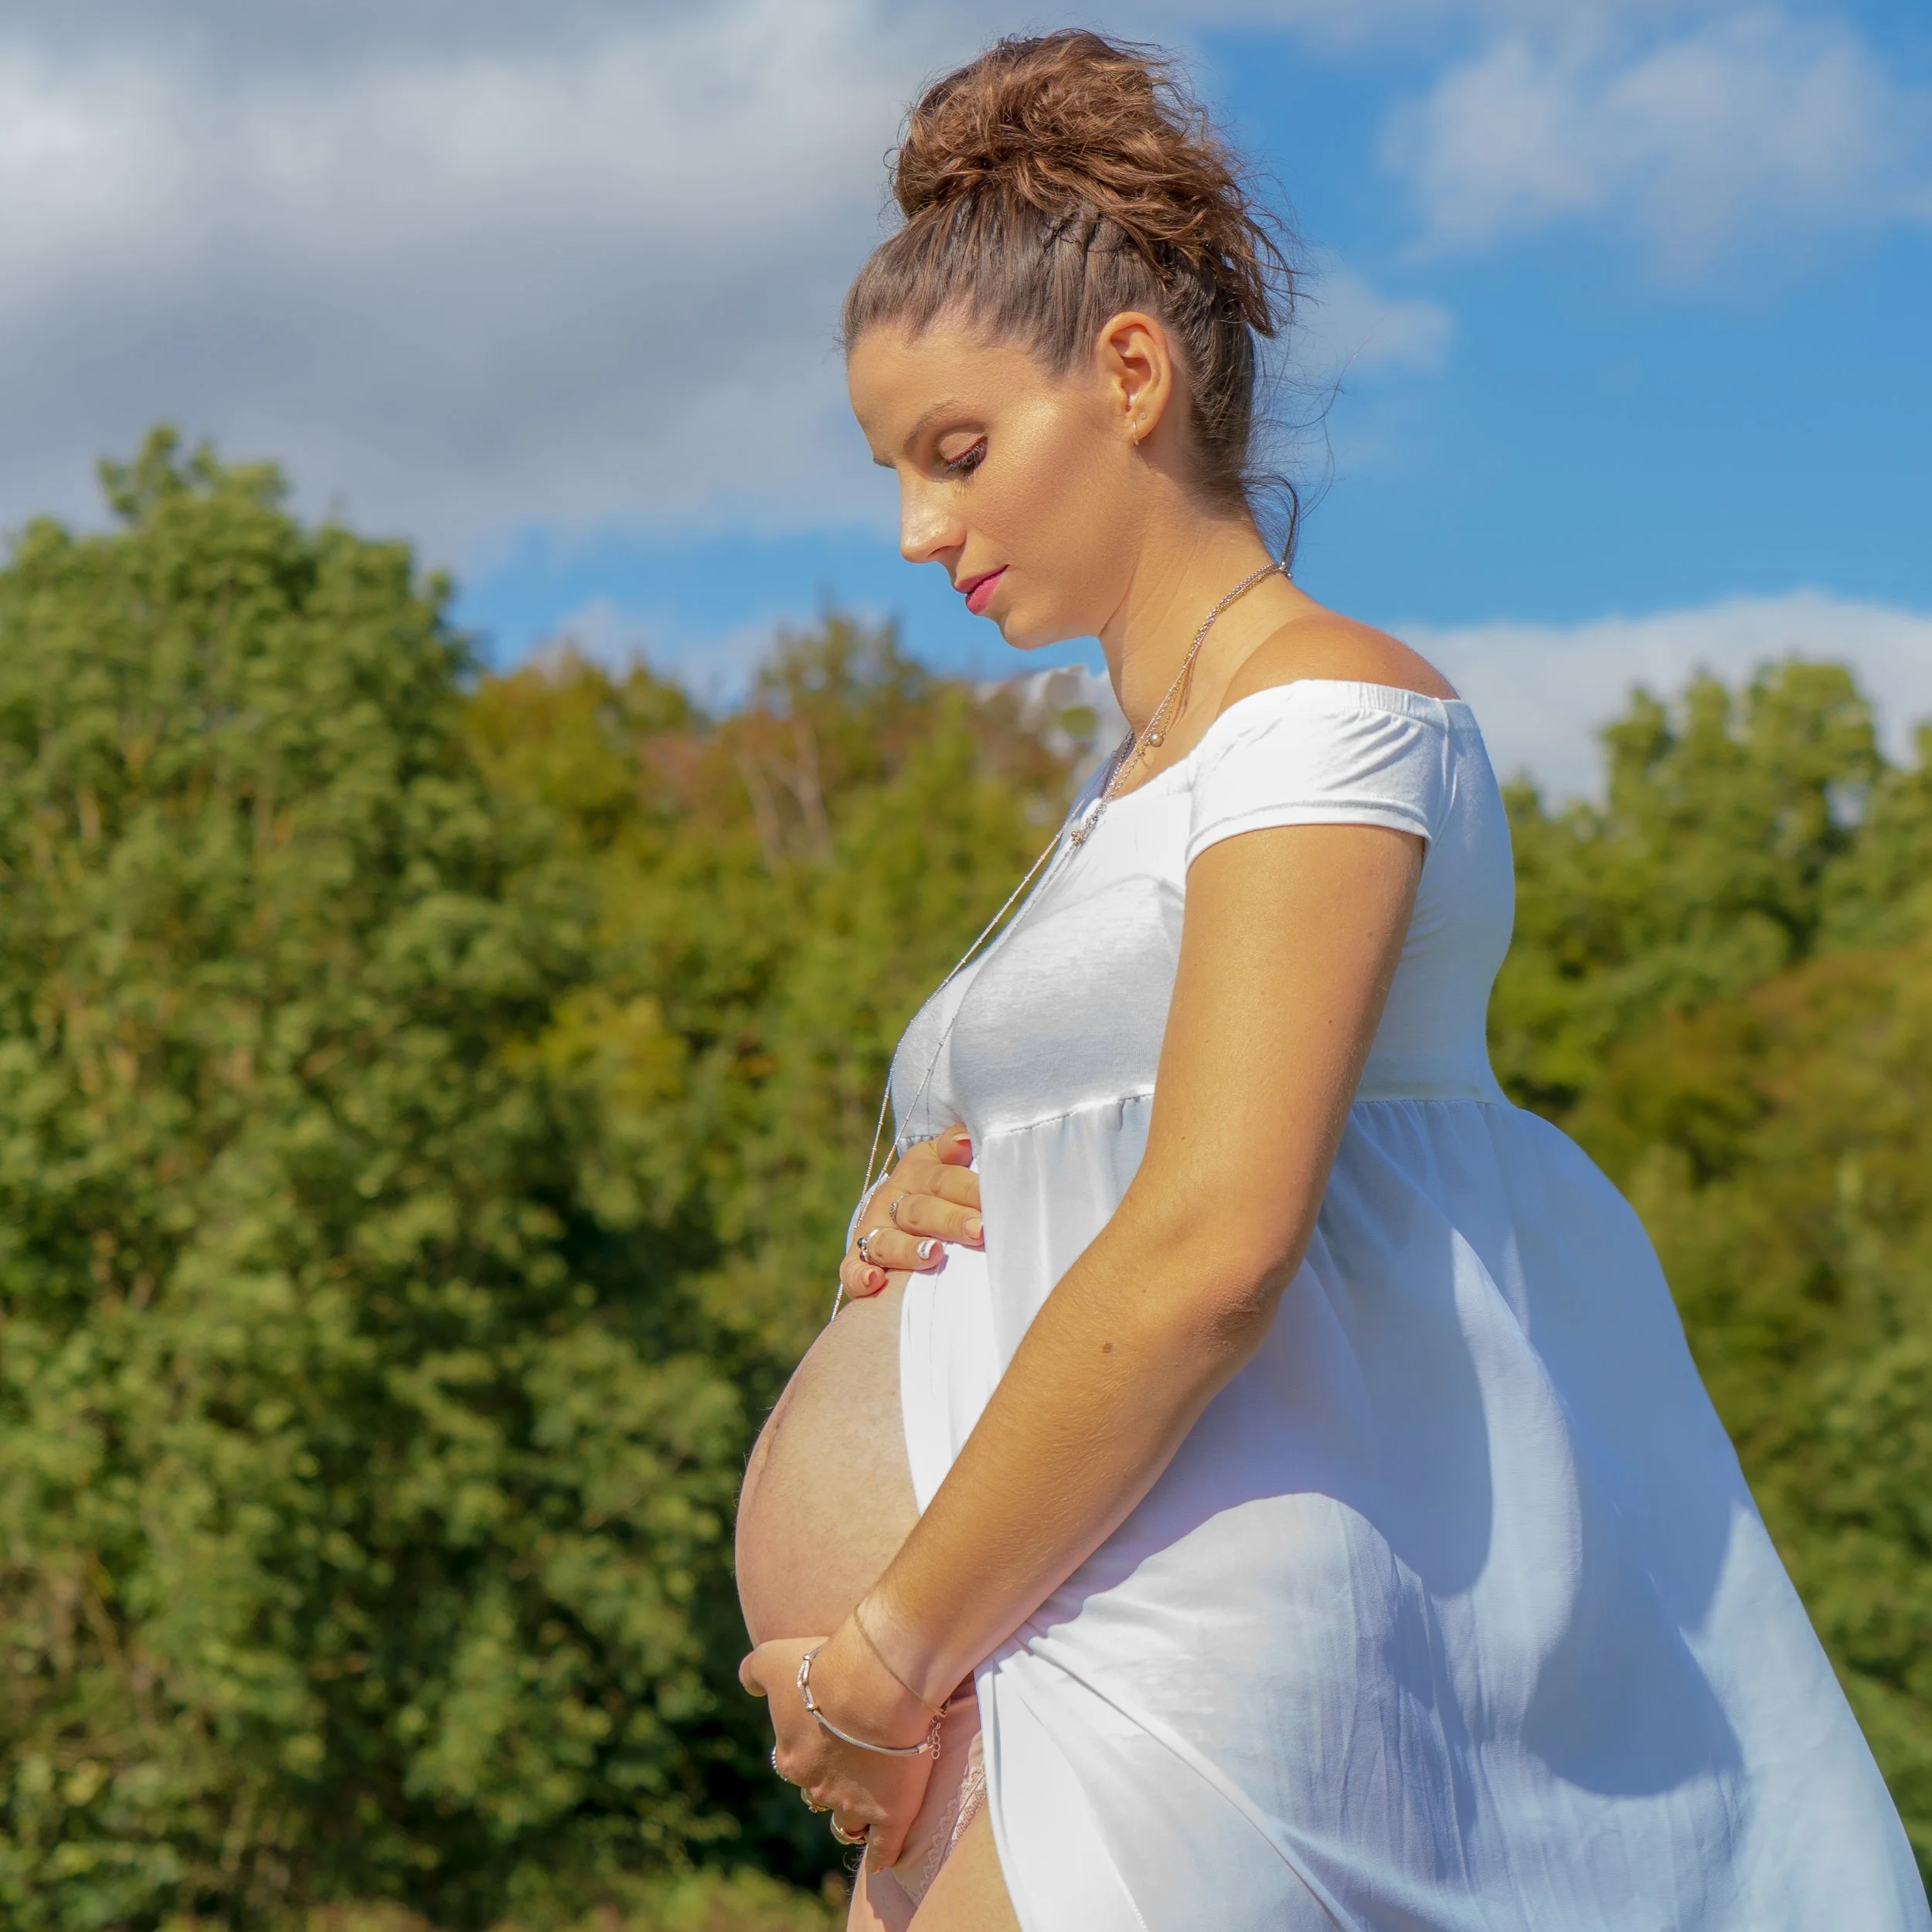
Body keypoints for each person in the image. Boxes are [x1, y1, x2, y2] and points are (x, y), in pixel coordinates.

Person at [733, 28, 1928, 1932]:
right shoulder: (1125, 785)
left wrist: (884, 1646)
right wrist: (923, 1218)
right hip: (1033, 1648)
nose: (915, 529)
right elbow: (1119, 1153)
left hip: (1176, 1645)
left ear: (1127, 374)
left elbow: (1216, 1233)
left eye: (954, 454)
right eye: (891, 470)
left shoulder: (1329, 721)